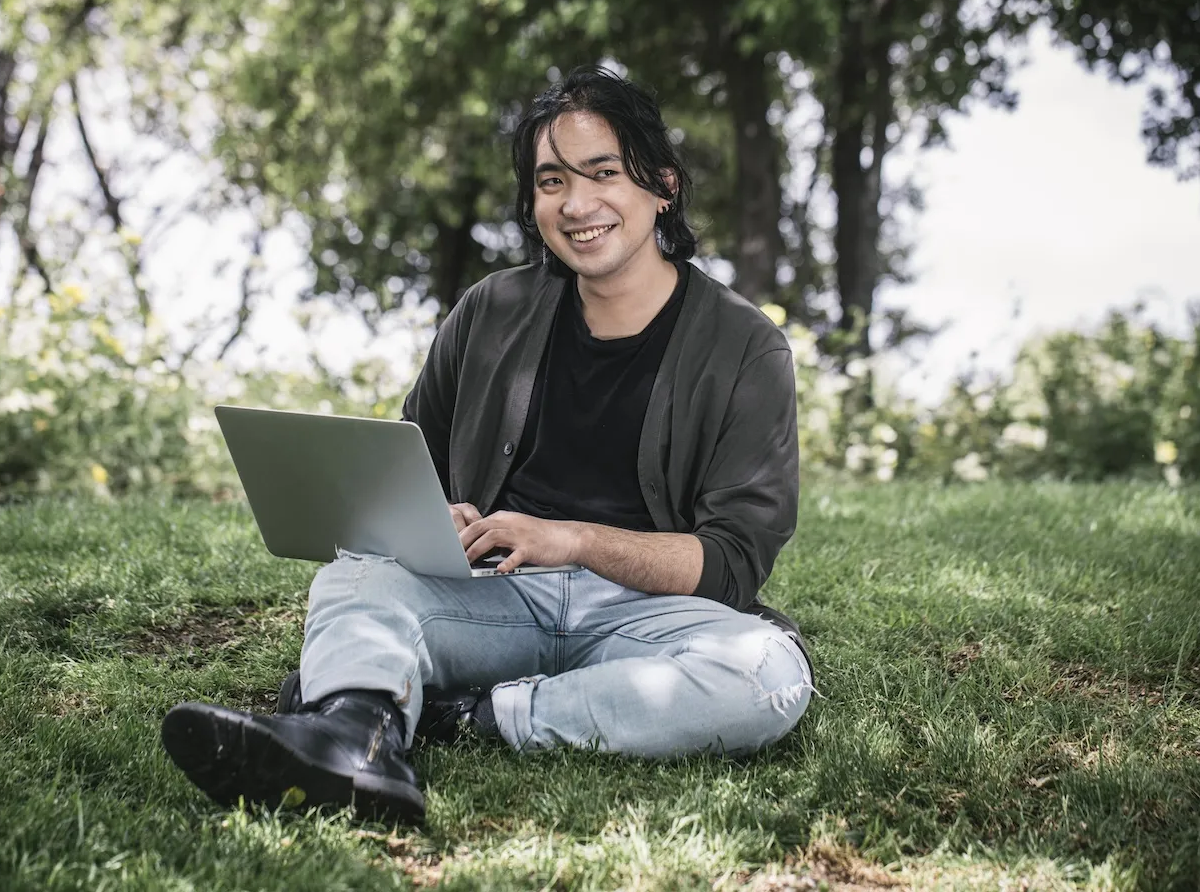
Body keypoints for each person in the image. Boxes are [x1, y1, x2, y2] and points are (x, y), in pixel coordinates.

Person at [161, 64, 814, 825]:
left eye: (604, 172)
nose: (576, 203)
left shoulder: (746, 348)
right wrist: (434, 518)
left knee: (767, 673)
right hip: (495, 594)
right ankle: (353, 733)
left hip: (646, 617)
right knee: (355, 578)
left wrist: (570, 539)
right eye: (550, 180)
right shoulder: (491, 310)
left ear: (662, 185)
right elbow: (408, 471)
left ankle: (468, 716)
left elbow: (732, 562)